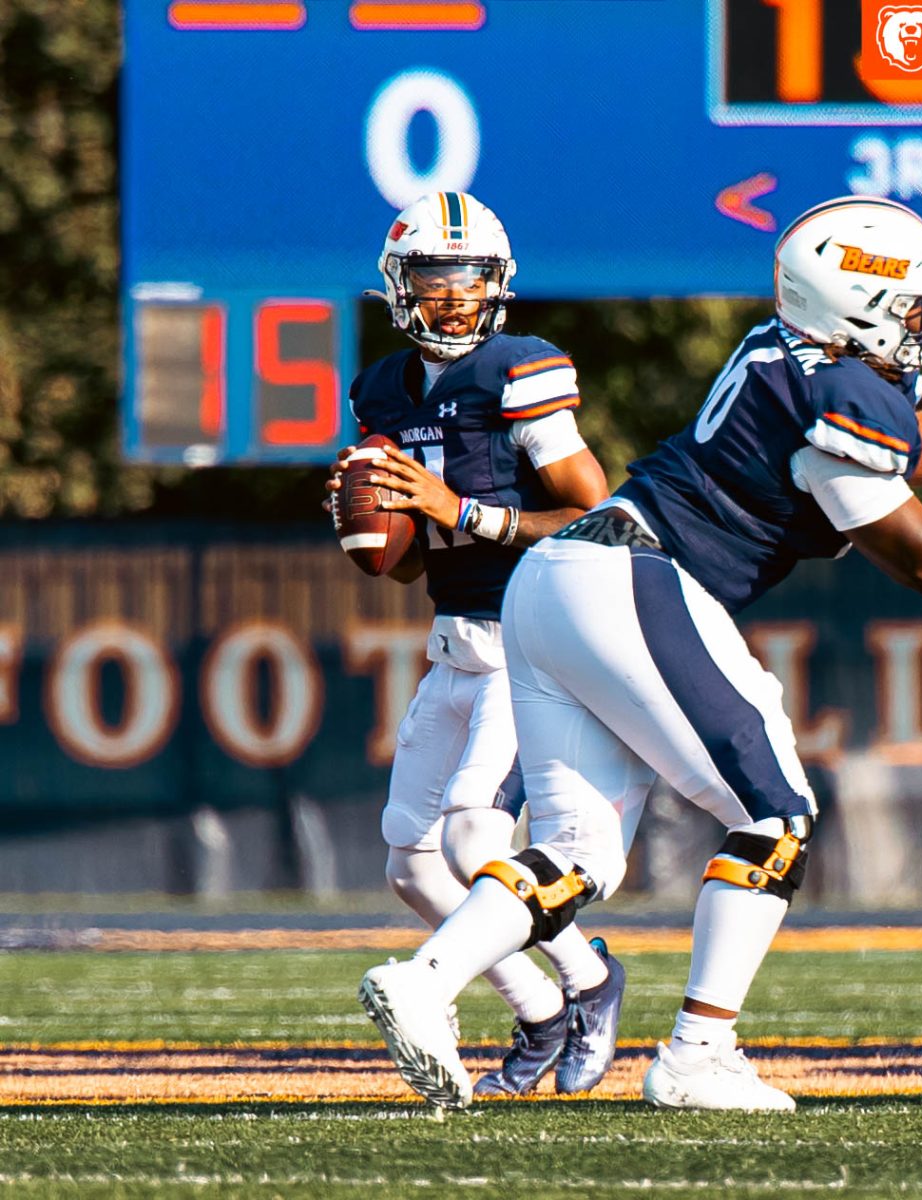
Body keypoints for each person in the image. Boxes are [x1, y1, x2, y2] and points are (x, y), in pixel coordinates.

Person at [358, 194, 922, 1111]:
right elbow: (920, 557)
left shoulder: (789, 355)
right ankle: (696, 1054)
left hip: (560, 581)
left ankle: (424, 981)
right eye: (914, 305)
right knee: (777, 815)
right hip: (637, 584)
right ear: (859, 302)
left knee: (577, 852)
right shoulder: (844, 394)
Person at [327, 191, 627, 1103]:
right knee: (409, 859)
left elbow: (596, 512)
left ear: (498, 288)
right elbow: (409, 567)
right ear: (399, 287)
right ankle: (540, 1008)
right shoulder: (381, 388)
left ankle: (591, 980)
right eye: (434, 280)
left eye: (470, 282)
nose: (453, 300)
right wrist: (373, 521)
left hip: (531, 641)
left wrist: (457, 509)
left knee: (470, 835)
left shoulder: (521, 370)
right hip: (454, 640)